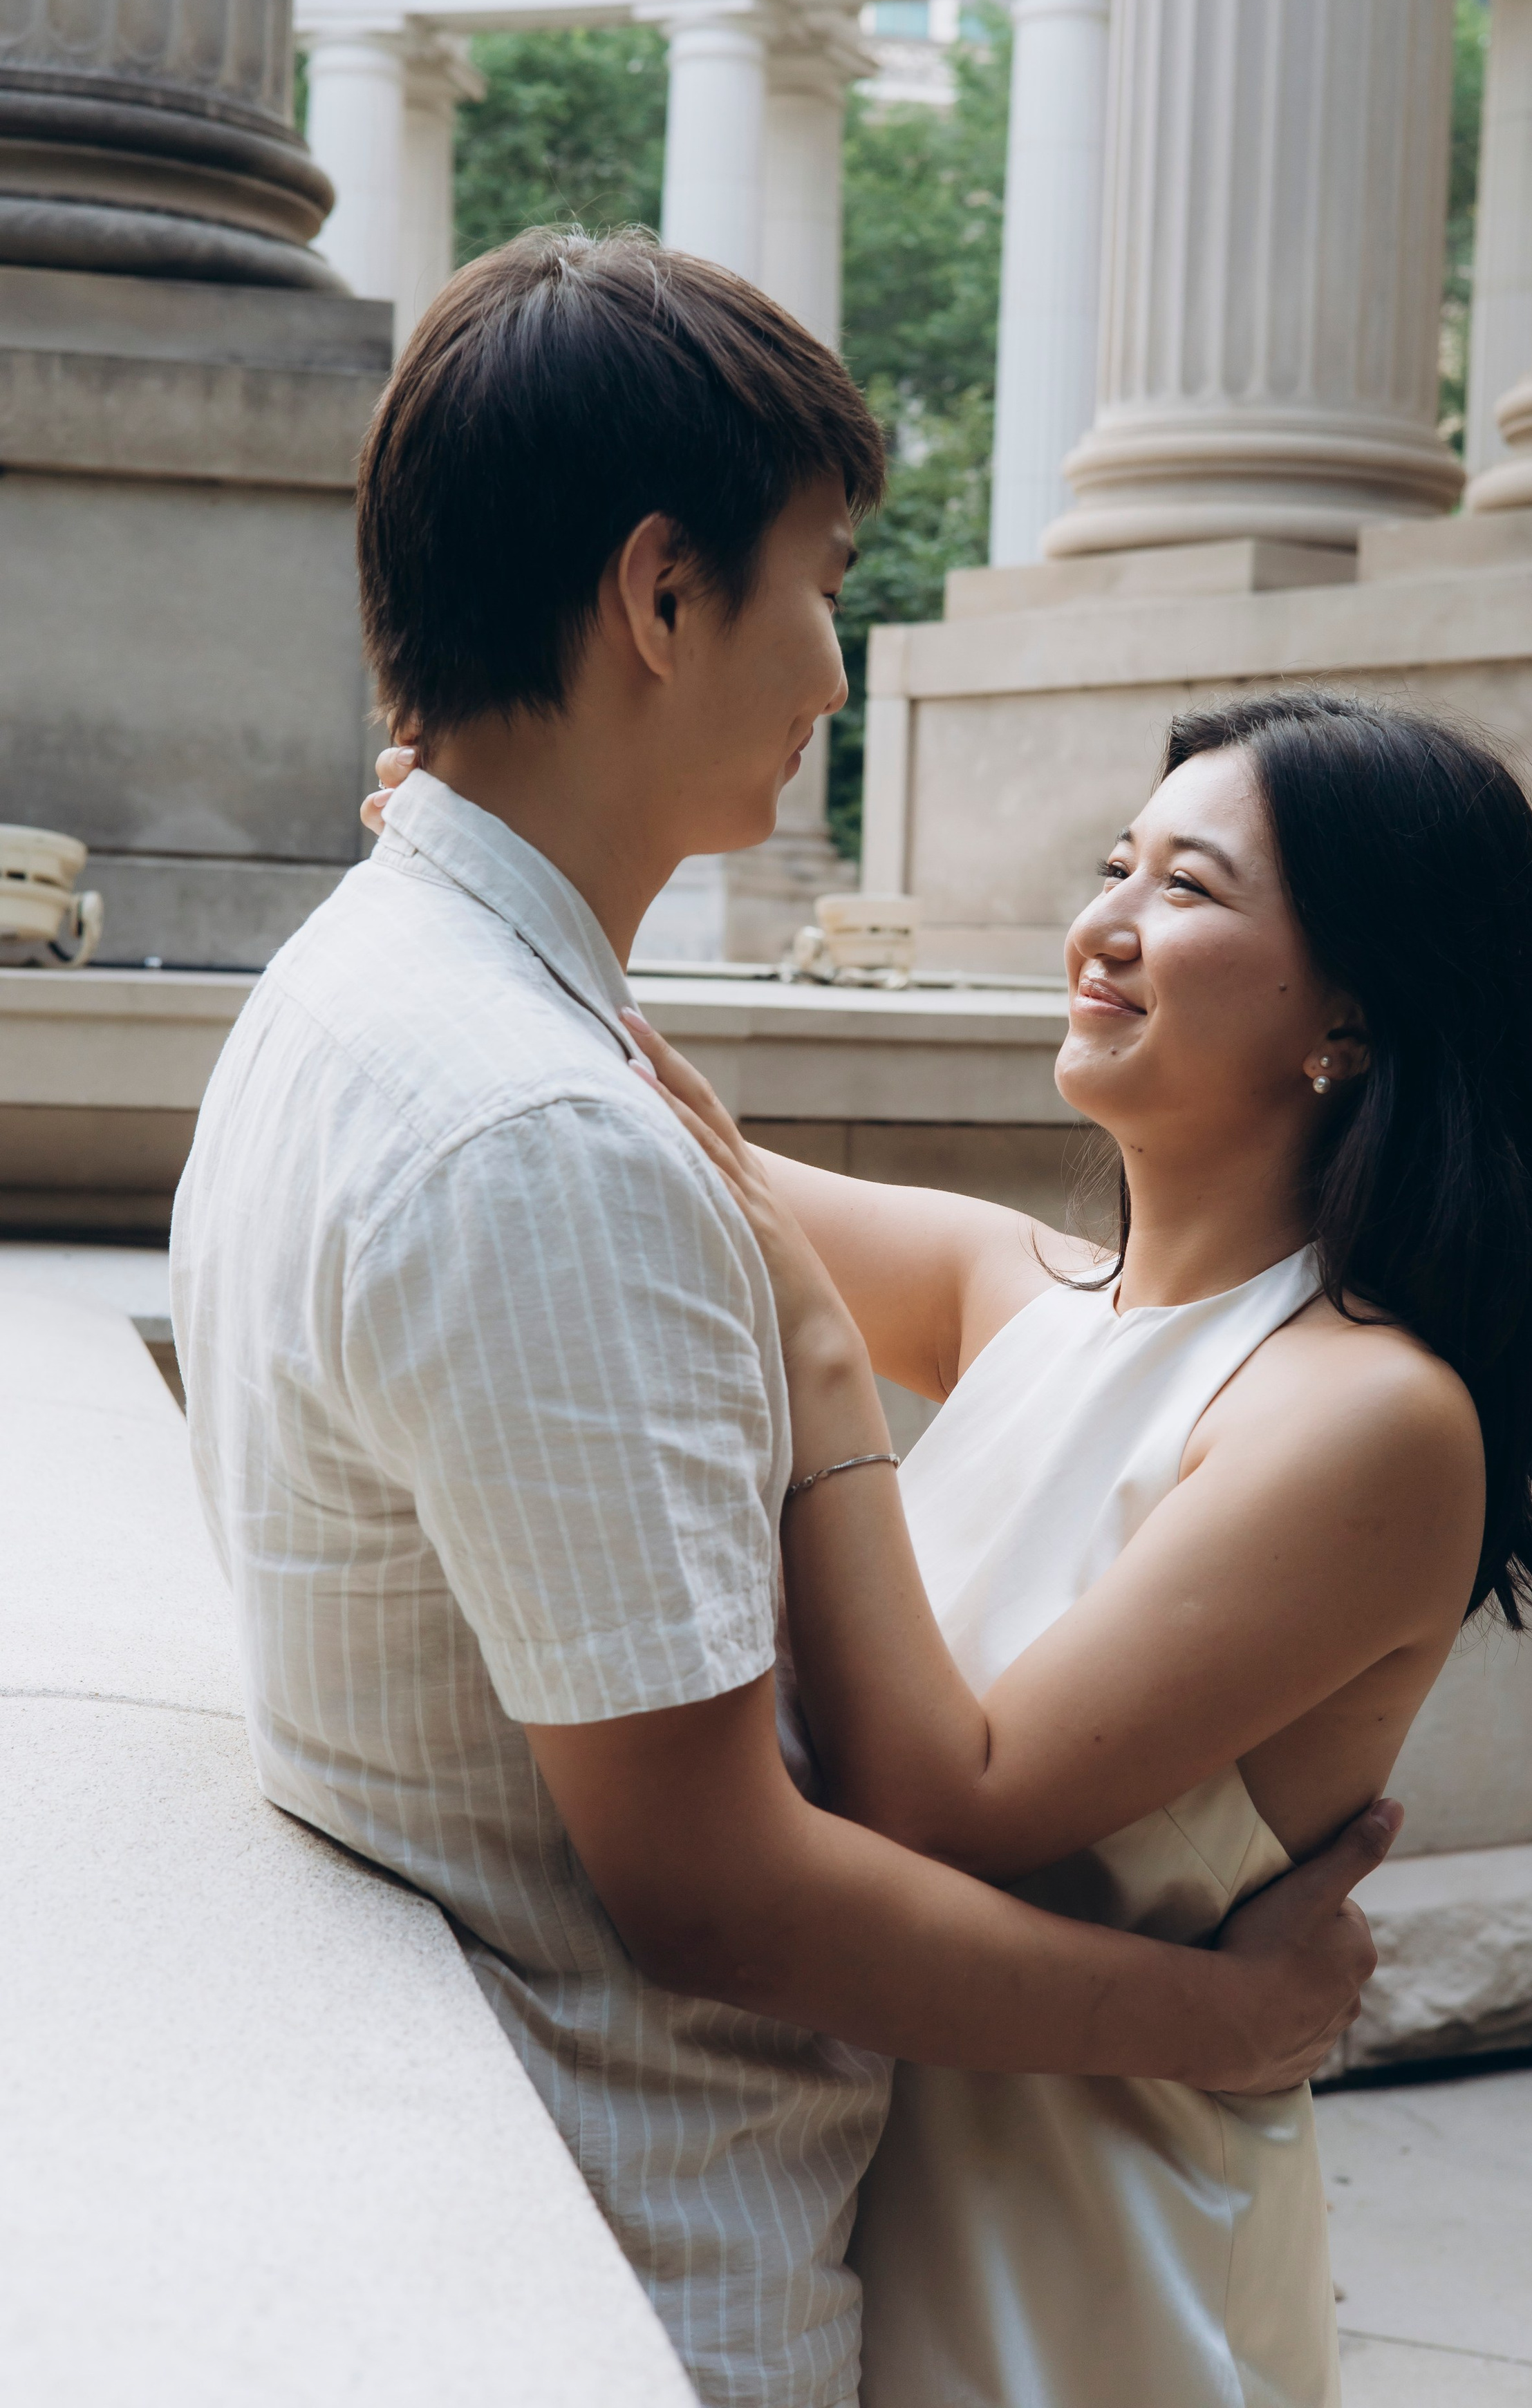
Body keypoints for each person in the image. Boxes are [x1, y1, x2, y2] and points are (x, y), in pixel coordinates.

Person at [171, 232, 1394, 2408]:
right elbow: (721, 1893)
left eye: (1183, 884)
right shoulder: (531, 1131)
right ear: (662, 598)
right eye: (822, 577)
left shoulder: (404, 1008)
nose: (839, 666)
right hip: (650, 2270)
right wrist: (1220, 2026)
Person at [615, 687, 1532, 2407]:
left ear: (1353, 1016)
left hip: (1099, 2296)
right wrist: (485, 856)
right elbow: (652, 1138)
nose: (1103, 927)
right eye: (1113, 867)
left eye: (1190, 891)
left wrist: (825, 1369)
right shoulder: (1028, 1296)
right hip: (876, 2218)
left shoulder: (1367, 1416)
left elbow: (943, 1804)